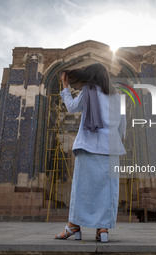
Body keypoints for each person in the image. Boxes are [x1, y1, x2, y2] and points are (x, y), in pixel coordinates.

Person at [54, 63, 126, 243]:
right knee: (108, 190)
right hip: (111, 148)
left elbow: (71, 107)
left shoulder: (88, 92)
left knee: (82, 188)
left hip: (89, 145)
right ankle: (103, 229)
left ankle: (73, 225)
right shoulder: (118, 97)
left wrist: (65, 87)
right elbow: (122, 126)